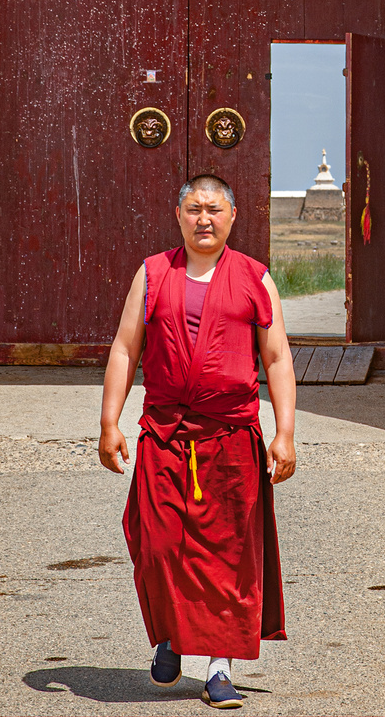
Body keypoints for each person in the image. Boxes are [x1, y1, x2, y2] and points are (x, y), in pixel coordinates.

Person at [98, 174, 296, 709]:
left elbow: (276, 357)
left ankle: (218, 668)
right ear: (178, 215)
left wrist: (285, 433)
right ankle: (167, 634)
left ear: (232, 217)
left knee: (229, 557)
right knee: (157, 545)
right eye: (193, 209)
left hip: (231, 438)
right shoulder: (153, 273)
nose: (203, 219)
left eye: (213, 209)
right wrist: (109, 422)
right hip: (165, 435)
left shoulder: (255, 278)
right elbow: (124, 347)